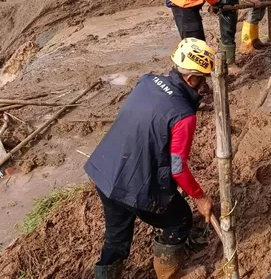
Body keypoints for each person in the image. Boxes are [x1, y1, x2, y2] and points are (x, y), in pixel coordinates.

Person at [84, 38, 216, 279]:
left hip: (105, 172)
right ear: (191, 79)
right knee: (179, 220)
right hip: (135, 185)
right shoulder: (184, 116)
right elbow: (178, 167)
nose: (204, 86)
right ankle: (169, 274)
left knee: (116, 239)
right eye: (203, 79)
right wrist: (200, 197)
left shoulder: (147, 82)